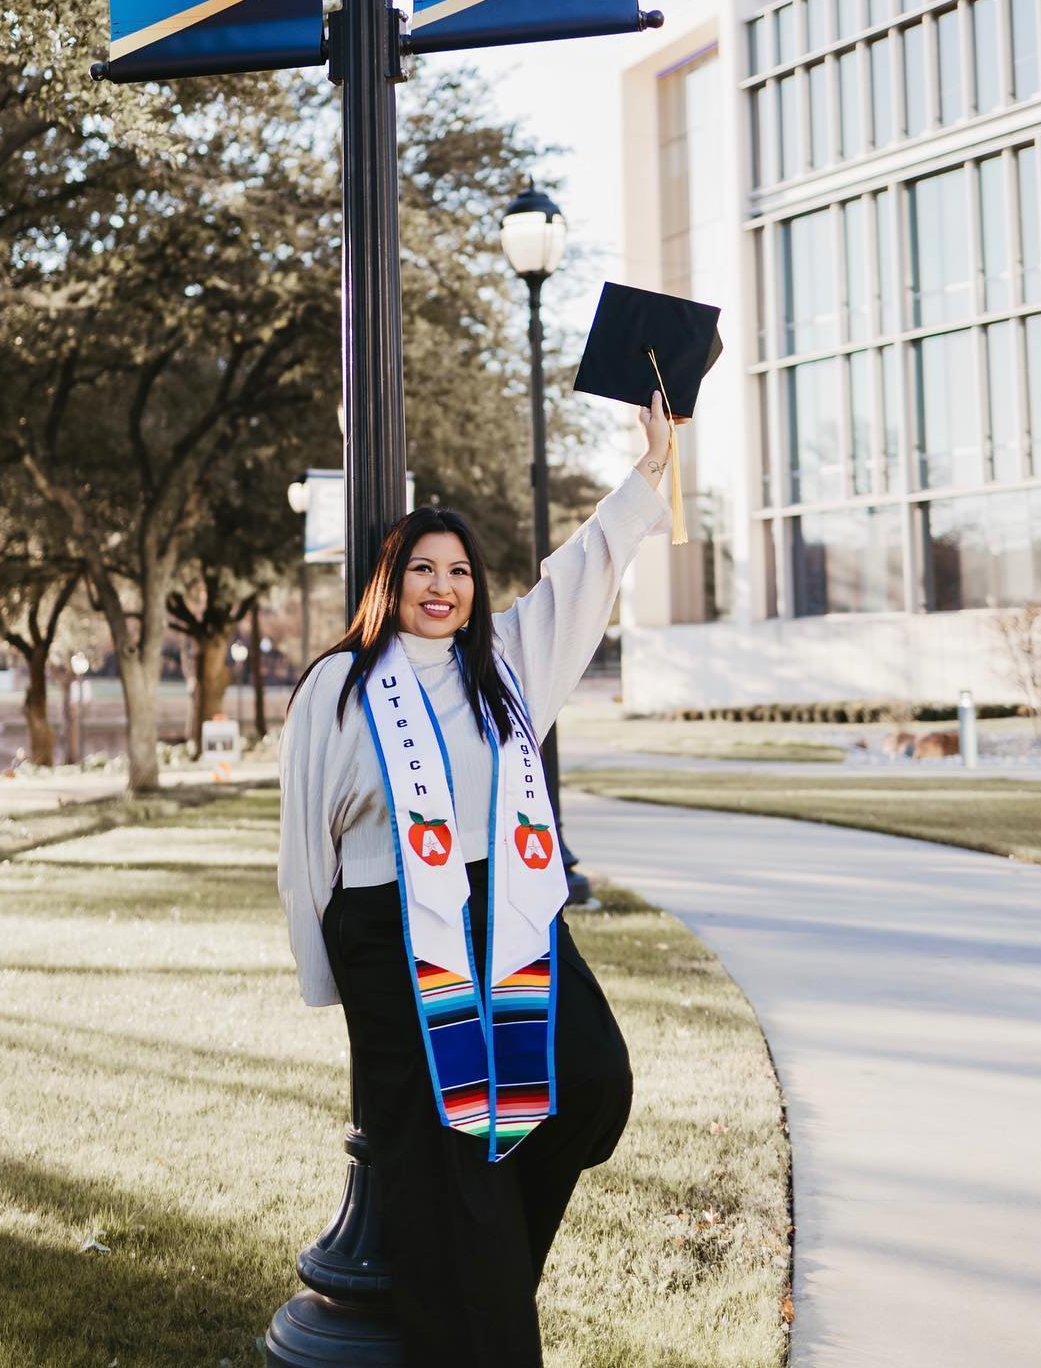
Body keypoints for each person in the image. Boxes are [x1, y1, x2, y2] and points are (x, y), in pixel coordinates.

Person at [278, 395, 676, 1366]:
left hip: (504, 907)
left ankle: (482, 1271)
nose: (443, 585)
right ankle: (478, 1312)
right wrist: (328, 979)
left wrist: (652, 465)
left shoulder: (501, 665)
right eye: (422, 567)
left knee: (590, 1081)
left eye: (458, 570)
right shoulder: (339, 685)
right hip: (389, 925)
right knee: (455, 1163)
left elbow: (582, 572)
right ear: (391, 579)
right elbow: (304, 847)